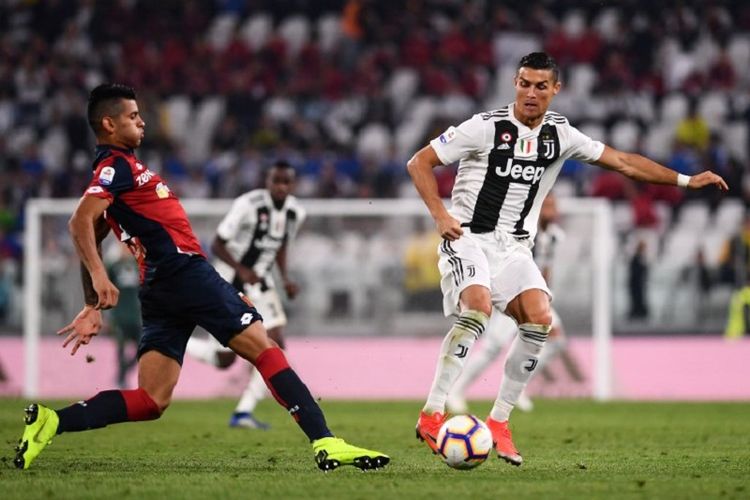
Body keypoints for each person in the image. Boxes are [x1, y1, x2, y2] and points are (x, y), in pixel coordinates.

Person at [14, 84, 389, 472]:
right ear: (108, 124)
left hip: (160, 286)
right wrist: (98, 276)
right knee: (265, 348)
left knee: (151, 400)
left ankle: (51, 421)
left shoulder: (120, 172)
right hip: (184, 272)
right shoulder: (115, 167)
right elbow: (79, 222)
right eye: (132, 116)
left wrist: (92, 304)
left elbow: (90, 232)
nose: (142, 121)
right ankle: (326, 441)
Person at [407, 52, 728, 467]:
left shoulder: (561, 135)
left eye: (541, 86)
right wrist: (440, 214)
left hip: (515, 248)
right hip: (468, 237)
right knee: (479, 309)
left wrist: (686, 179)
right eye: (524, 83)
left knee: (540, 318)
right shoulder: (485, 127)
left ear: (555, 90)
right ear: (515, 84)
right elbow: (420, 162)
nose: (530, 92)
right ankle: (433, 413)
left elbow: (625, 162)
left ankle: (500, 422)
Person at [185, 160, 305, 430]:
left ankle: (243, 411)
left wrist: (285, 278)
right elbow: (217, 243)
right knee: (223, 360)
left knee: (275, 344)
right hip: (230, 280)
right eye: (276, 181)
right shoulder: (248, 205)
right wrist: (243, 269)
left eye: (286, 182)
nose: (281, 187)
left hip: (261, 283)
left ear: (292, 184)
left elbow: (281, 245)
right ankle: (180, 342)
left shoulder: (295, 212)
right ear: (267, 181)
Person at [446, 194, 583, 414]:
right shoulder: (523, 230)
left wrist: (545, 293)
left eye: (553, 205)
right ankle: (456, 391)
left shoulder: (556, 236)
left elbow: (547, 268)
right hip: (510, 291)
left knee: (556, 341)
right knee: (493, 347)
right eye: (546, 205)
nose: (551, 210)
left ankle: (518, 387)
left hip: (535, 296)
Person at [105, 242, 142, 388]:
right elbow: (105, 290)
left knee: (142, 347)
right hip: (119, 316)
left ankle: (123, 373)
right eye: (123, 246)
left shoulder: (137, 265)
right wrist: (106, 315)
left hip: (136, 315)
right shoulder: (113, 267)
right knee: (120, 349)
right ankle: (121, 381)